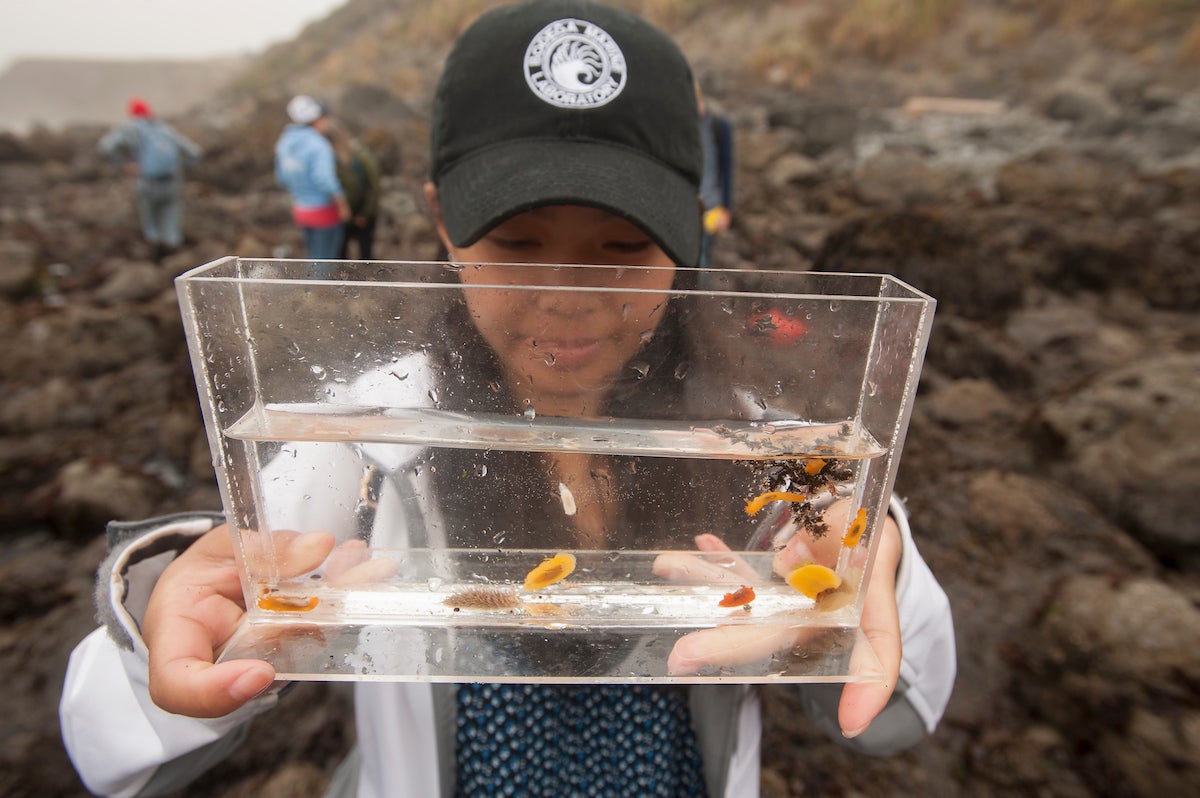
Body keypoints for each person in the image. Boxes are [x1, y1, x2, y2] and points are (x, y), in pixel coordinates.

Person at [60, 3, 956, 797]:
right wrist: (160, 613)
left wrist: (880, 555)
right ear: (443, 223)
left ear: (687, 238)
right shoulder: (364, 439)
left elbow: (900, 709)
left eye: (622, 248)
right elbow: (115, 751)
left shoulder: (762, 443)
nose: (567, 298)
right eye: (518, 242)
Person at [98, 97, 202, 262]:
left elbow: (106, 146)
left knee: (151, 224)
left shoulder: (129, 129)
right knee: (170, 222)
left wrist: (123, 164)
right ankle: (173, 260)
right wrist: (181, 167)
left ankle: (154, 259)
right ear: (149, 112)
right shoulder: (165, 130)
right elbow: (195, 152)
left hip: (147, 183)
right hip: (171, 183)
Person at [275, 94, 351, 262]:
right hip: (323, 212)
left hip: (301, 210)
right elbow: (324, 180)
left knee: (313, 258)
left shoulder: (284, 142)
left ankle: (311, 288)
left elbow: (282, 177)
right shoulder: (318, 145)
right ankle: (317, 289)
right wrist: (342, 204)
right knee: (325, 263)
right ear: (317, 119)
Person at [324, 117, 383, 260]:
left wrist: (364, 214)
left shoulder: (361, 156)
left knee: (366, 256)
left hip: (363, 214)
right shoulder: (330, 159)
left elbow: (374, 187)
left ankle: (368, 281)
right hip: (342, 216)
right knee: (339, 256)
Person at [696, 84, 734, 269]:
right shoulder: (679, 127)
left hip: (712, 206)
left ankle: (700, 297)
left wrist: (726, 208)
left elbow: (727, 167)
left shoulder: (719, 125)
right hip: (687, 208)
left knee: (704, 259)